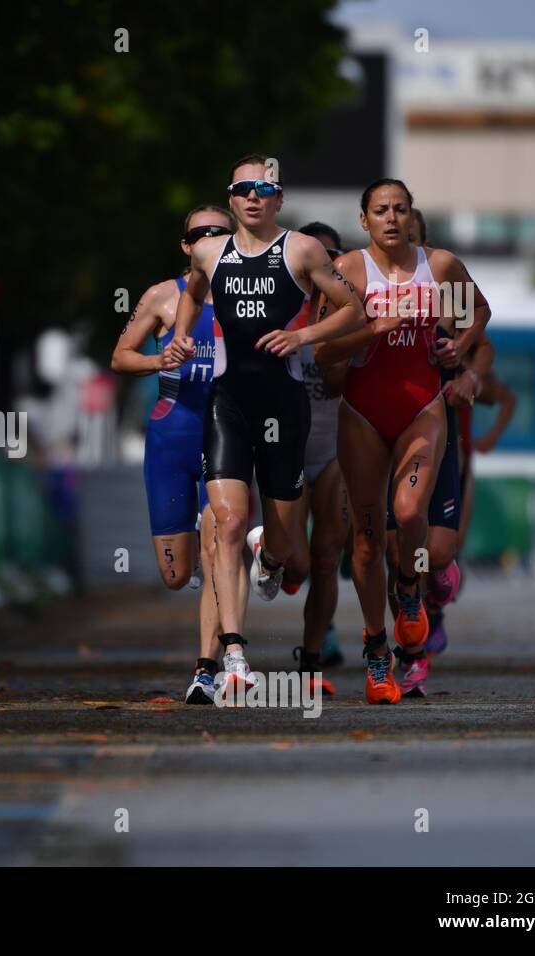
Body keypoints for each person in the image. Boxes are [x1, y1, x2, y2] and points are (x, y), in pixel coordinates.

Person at [169, 154, 367, 699]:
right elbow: (190, 293)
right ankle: (233, 656)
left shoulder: (301, 249)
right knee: (227, 523)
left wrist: (303, 338)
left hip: (285, 406)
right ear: (231, 198)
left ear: (278, 198)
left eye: (264, 188)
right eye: (242, 189)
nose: (253, 197)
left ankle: (271, 555)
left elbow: (354, 311)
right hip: (228, 403)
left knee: (285, 545)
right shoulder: (211, 252)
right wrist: (183, 338)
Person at [315, 179, 490, 704]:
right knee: (367, 542)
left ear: (410, 215)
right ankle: (375, 650)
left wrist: (458, 347)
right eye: (380, 210)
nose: (391, 218)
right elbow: (324, 355)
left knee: (410, 512)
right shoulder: (347, 271)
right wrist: (372, 329)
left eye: (400, 209)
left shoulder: (438, 267)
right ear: (364, 220)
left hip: (422, 408)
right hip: (363, 413)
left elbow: (478, 311)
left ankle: (410, 593)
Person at [112, 205, 243, 704]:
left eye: (221, 233)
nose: (211, 239)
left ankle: (208, 669)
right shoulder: (162, 296)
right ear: (186, 246)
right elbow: (119, 356)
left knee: (219, 550)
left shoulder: (247, 294)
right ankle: (207, 579)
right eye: (201, 234)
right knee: (175, 575)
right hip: (171, 436)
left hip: (225, 435)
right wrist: (157, 358)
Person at [278, 222, 347, 695]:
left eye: (332, 258)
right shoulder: (282, 311)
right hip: (291, 451)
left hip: (337, 451)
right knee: (298, 564)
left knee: (326, 560)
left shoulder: (352, 312)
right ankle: (277, 561)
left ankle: (312, 658)